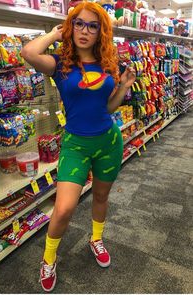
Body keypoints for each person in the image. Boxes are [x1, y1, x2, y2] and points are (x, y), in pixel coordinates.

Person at [21, 1, 136, 292]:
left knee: (100, 197)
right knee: (64, 209)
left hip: (108, 141)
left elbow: (108, 106)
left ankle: (96, 238)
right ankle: (48, 259)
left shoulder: (109, 64)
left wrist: (122, 87)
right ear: (71, 27)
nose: (85, 30)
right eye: (79, 23)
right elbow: (28, 52)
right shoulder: (60, 64)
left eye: (92, 25)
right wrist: (57, 32)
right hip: (75, 144)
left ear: (101, 32)